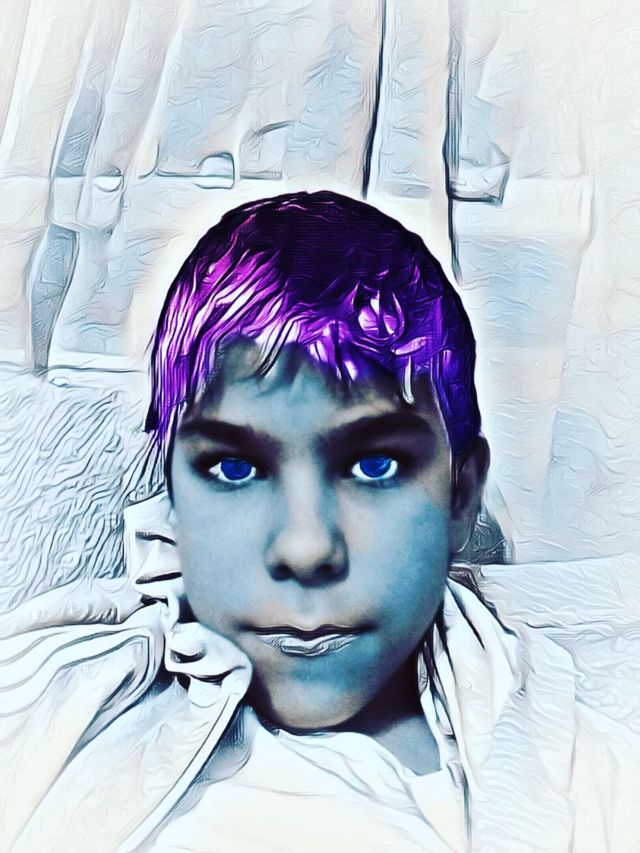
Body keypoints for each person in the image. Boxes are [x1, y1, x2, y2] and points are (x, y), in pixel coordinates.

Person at [1, 191, 637, 852]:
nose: (305, 548)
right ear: (172, 500)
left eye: (374, 466)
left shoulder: (598, 786)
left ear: (461, 497)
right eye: (233, 468)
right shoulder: (45, 711)